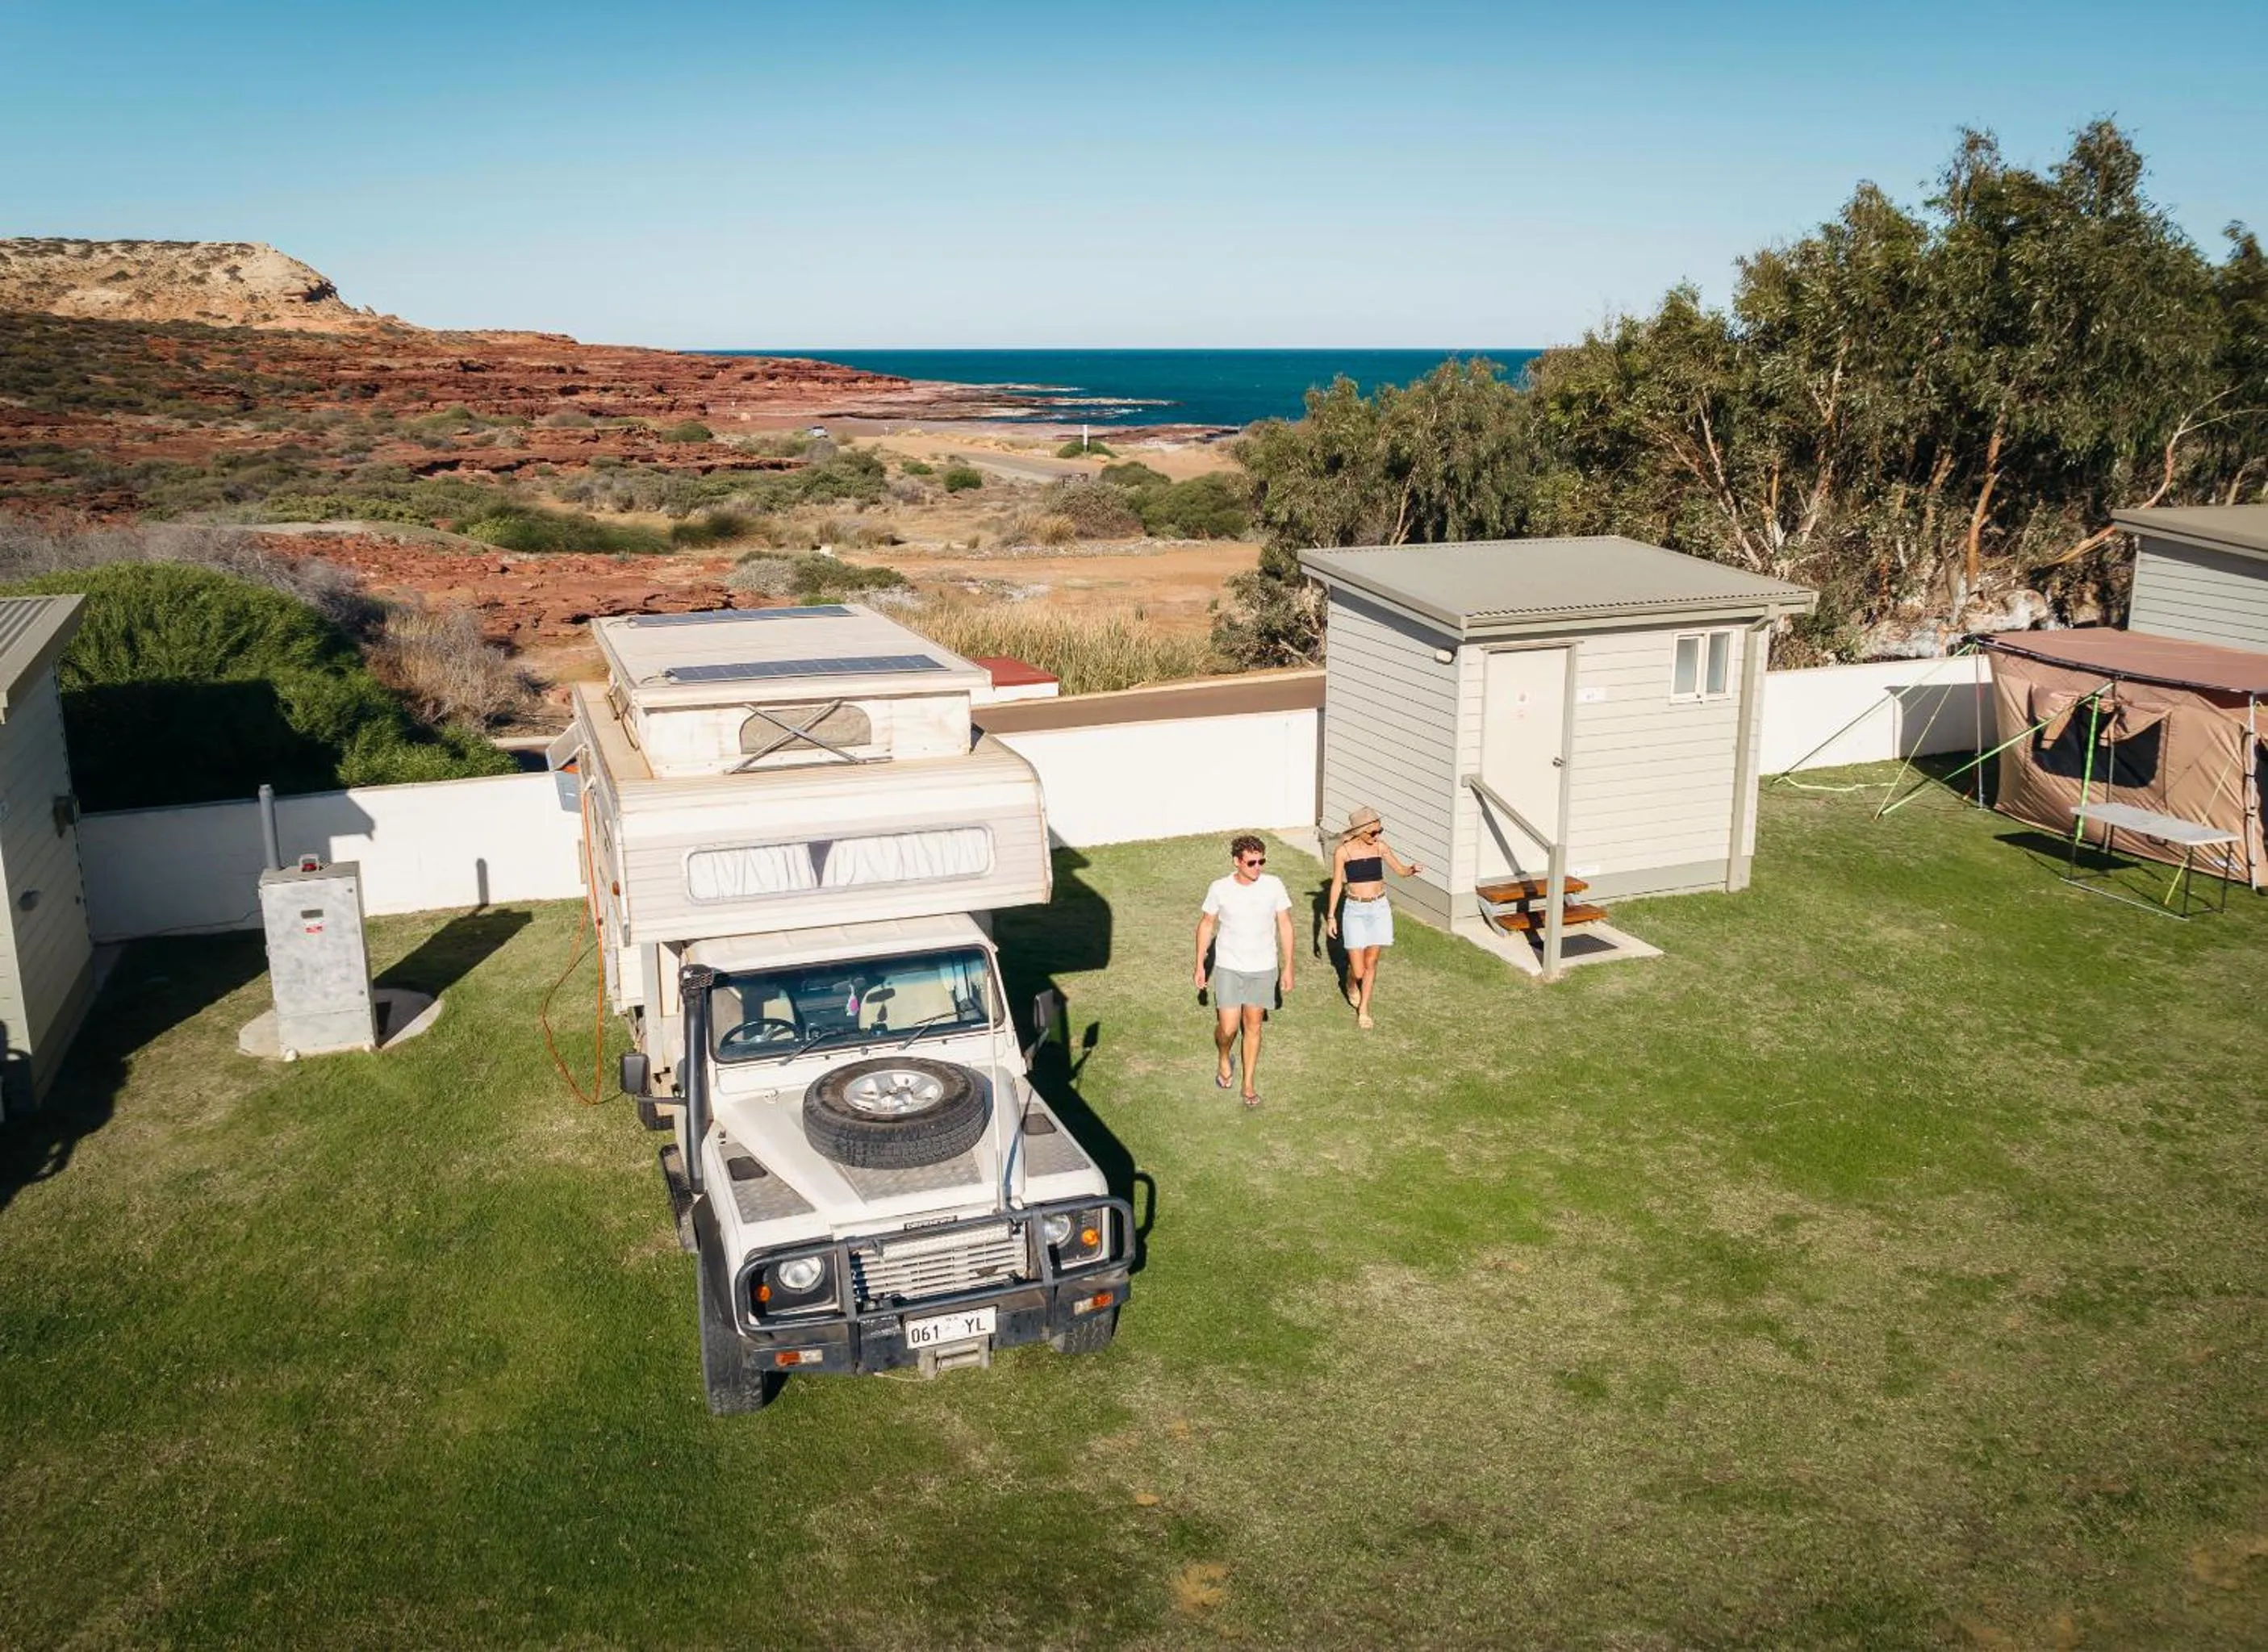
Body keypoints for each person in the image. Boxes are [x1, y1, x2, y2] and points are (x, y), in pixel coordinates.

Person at [1193, 834, 1293, 1108]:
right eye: (1251, 862)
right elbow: (1206, 925)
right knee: (1227, 1028)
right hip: (1229, 966)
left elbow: (1285, 924)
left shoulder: (1273, 885)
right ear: (1237, 861)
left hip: (1263, 968)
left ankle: (1248, 1084)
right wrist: (1200, 964)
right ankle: (1224, 1056)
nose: (1257, 867)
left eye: (1261, 861)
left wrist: (1289, 967)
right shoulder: (1220, 888)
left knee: (1254, 1025)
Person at [1326, 805, 1421, 1030]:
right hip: (1355, 911)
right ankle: (1351, 982)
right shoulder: (1344, 852)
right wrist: (1331, 916)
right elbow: (1337, 883)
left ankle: (1364, 1010)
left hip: (1379, 909)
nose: (1377, 836)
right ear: (1360, 831)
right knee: (1358, 970)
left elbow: (1400, 870)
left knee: (1371, 963)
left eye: (1380, 831)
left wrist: (1412, 869)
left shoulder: (1380, 847)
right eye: (1373, 832)